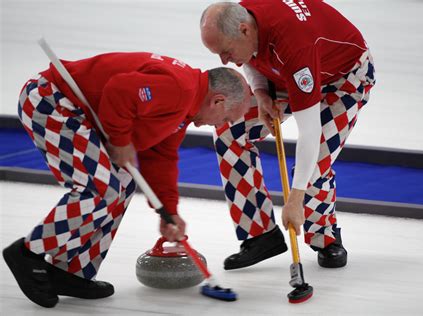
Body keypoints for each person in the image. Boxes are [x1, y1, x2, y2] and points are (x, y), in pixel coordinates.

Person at [2, 52, 251, 308]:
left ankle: (71, 271)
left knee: (121, 185)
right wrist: (120, 140)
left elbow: (160, 156)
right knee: (100, 189)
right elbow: (119, 90)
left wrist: (168, 212)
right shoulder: (179, 88)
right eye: (226, 119)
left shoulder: (185, 107)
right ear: (218, 101)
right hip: (52, 101)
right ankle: (27, 252)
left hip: (72, 110)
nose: (220, 124)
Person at [200, 1, 376, 271]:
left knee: (314, 163)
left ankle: (325, 238)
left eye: (226, 52)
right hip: (286, 72)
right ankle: (260, 235)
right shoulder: (245, 17)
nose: (224, 62)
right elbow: (249, 56)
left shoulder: (295, 44)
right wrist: (260, 93)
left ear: (245, 31)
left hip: (341, 80)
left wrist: (294, 200)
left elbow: (309, 131)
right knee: (229, 131)